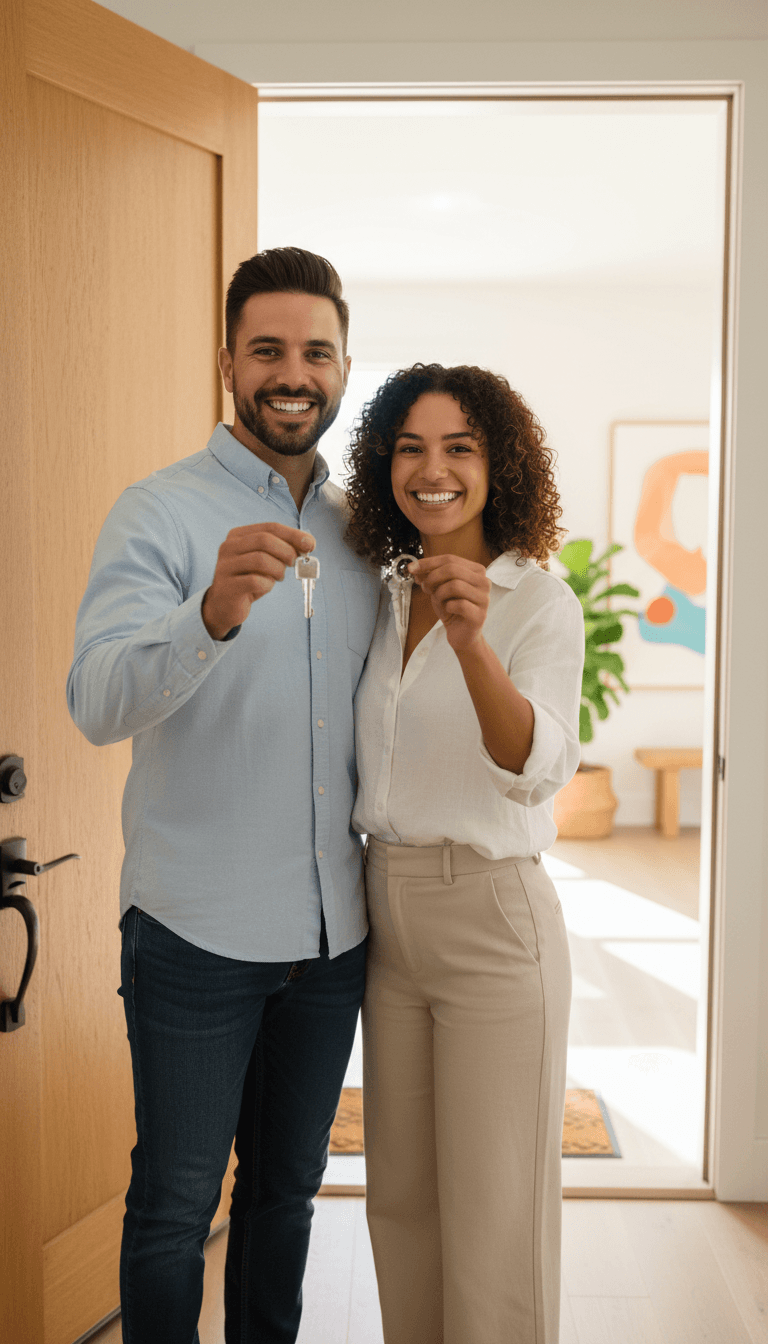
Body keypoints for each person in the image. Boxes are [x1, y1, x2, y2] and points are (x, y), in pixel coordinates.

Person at [66, 247, 380, 1344]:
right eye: (268, 350)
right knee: (172, 1207)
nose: (292, 373)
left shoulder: (366, 532)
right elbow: (97, 702)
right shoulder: (156, 513)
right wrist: (203, 617)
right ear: (228, 363)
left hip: (335, 938)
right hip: (195, 932)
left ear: (344, 367)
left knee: (287, 1196)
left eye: (316, 351)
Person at [344, 363, 585, 1344]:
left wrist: (473, 641)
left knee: (497, 1219)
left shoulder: (536, 601)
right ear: (383, 464)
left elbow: (538, 767)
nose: (432, 469)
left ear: (499, 464)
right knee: (400, 1203)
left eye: (459, 448)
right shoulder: (373, 587)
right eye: (410, 447)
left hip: (493, 923)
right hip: (387, 919)